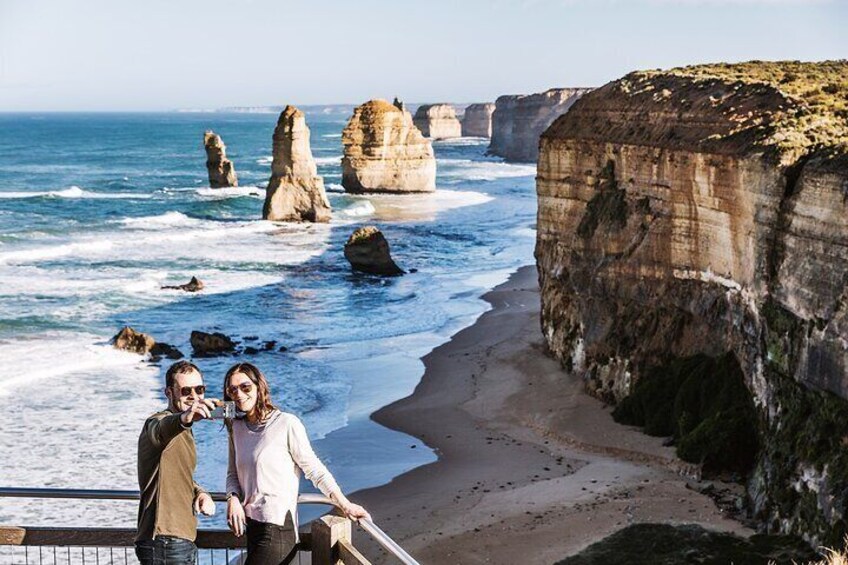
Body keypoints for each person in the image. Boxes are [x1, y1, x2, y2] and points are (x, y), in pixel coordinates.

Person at [223, 362, 370, 565]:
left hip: (278, 529)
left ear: (259, 387)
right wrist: (232, 498)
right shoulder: (236, 428)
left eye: (245, 387)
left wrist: (345, 504)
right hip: (252, 527)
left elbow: (314, 469)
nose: (239, 394)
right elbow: (232, 473)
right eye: (232, 389)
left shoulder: (286, 423)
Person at [135, 360, 218, 564]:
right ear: (168, 393)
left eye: (199, 389)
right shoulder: (158, 423)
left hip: (178, 541)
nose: (194, 397)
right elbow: (161, 428)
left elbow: (177, 475)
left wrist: (199, 492)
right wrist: (184, 418)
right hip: (164, 542)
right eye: (185, 390)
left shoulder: (183, 431)